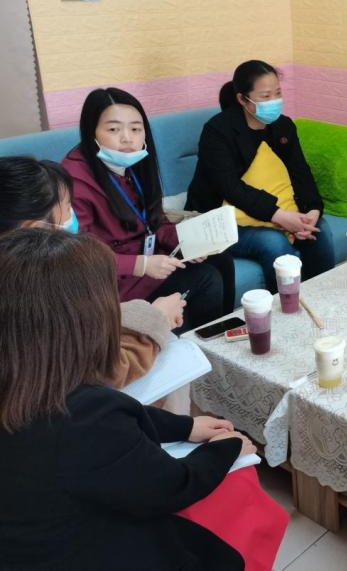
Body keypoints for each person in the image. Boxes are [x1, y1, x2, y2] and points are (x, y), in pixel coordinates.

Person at [0, 228, 256, 570]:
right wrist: (227, 448)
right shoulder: (86, 418)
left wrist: (184, 426)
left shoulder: (30, 379)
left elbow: (111, 419)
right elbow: (171, 486)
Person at [0, 155, 183, 388]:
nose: (74, 217)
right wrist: (157, 319)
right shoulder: (51, 285)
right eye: (68, 207)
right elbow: (107, 371)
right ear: (35, 229)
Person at [63, 88, 232, 333]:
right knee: (206, 278)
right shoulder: (74, 180)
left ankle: (224, 335)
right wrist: (140, 265)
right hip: (115, 281)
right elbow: (78, 255)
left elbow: (154, 221)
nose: (127, 139)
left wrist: (184, 240)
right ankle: (196, 344)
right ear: (92, 132)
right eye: (113, 129)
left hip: (149, 260)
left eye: (135, 129)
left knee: (221, 258)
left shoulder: (133, 162)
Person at [186, 60, 335, 292]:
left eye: (278, 93)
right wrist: (279, 216)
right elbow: (231, 188)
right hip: (219, 220)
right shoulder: (218, 131)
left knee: (319, 231)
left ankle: (324, 300)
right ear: (242, 99)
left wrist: (313, 210)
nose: (274, 101)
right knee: (273, 242)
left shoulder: (283, 126)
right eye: (265, 96)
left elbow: (300, 172)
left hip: (269, 211)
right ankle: (286, 307)